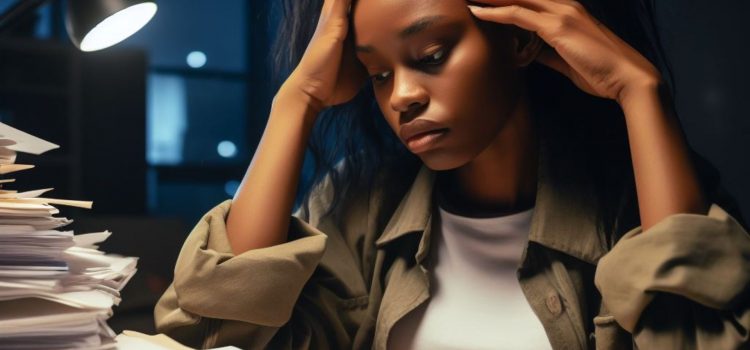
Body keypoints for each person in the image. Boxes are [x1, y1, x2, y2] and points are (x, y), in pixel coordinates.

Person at [154, 0, 750, 348]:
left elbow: (699, 337)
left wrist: (639, 91)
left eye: (431, 55)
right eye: (378, 74)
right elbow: (217, 332)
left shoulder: (643, 204)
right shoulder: (361, 204)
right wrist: (298, 98)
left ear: (520, 40)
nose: (402, 97)